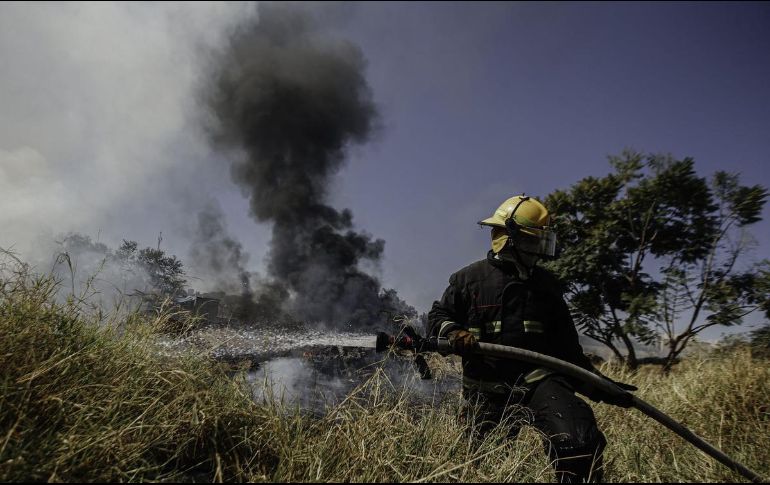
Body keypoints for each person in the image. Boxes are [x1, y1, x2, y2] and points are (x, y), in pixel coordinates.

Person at [428, 195, 635, 483]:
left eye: (543, 241)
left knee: (579, 441)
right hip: (486, 387)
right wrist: (453, 332)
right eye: (534, 240)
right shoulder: (468, 280)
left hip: (538, 381)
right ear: (510, 238)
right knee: (484, 466)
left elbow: (568, 352)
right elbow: (438, 317)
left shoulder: (547, 286)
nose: (540, 250)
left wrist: (604, 388)